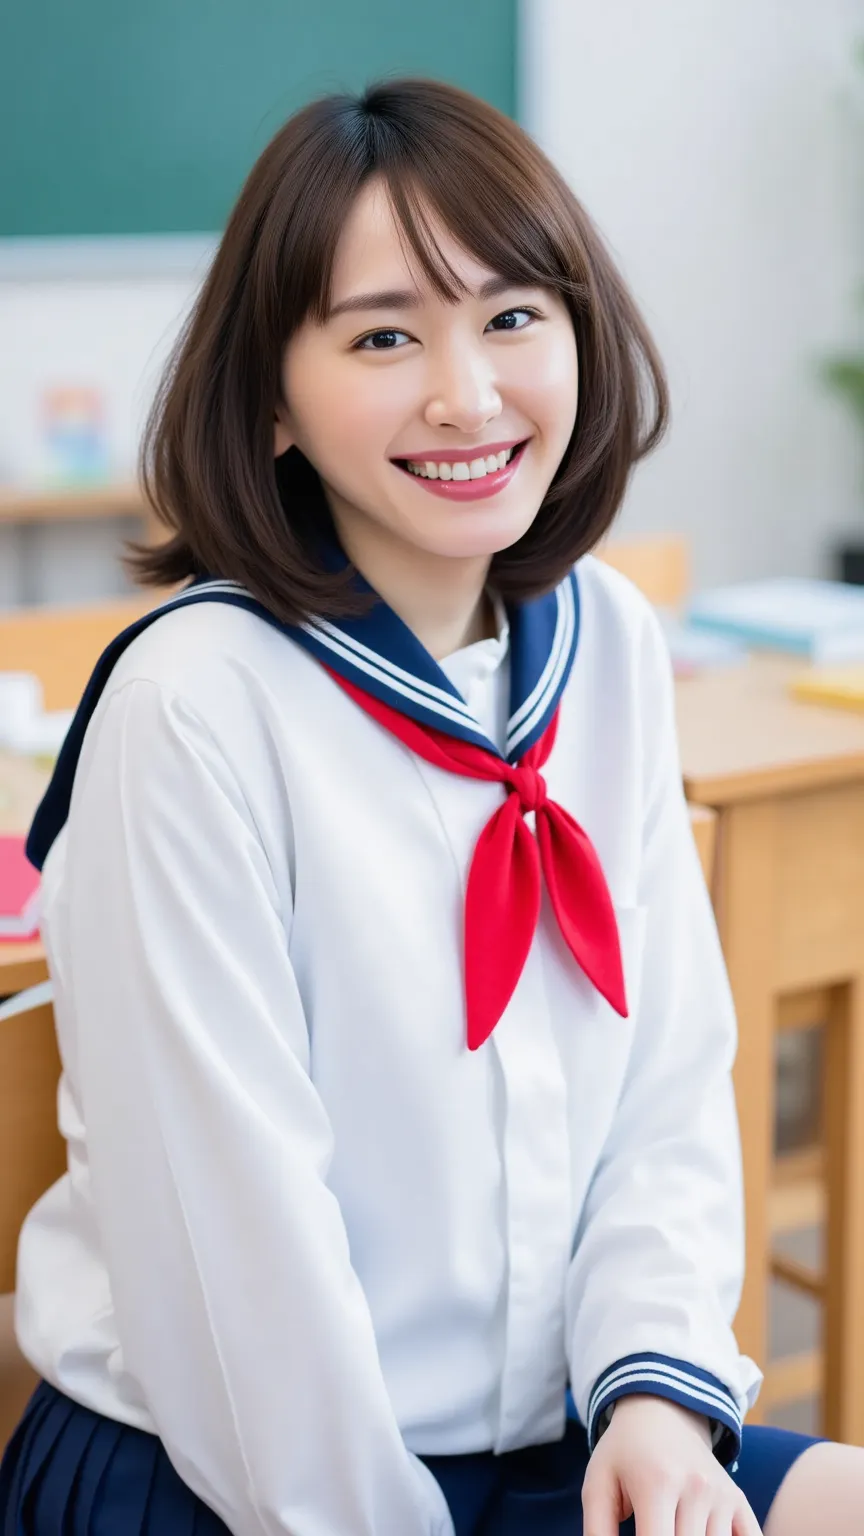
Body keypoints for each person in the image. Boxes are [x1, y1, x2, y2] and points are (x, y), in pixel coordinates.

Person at [1, 78, 861, 1536]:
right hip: (246, 1477)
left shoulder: (609, 643)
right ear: (270, 398)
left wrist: (654, 1406)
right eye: (385, 335)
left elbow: (667, 1090)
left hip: (561, 1442)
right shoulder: (193, 708)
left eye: (514, 316)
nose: (467, 393)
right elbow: (242, 1285)